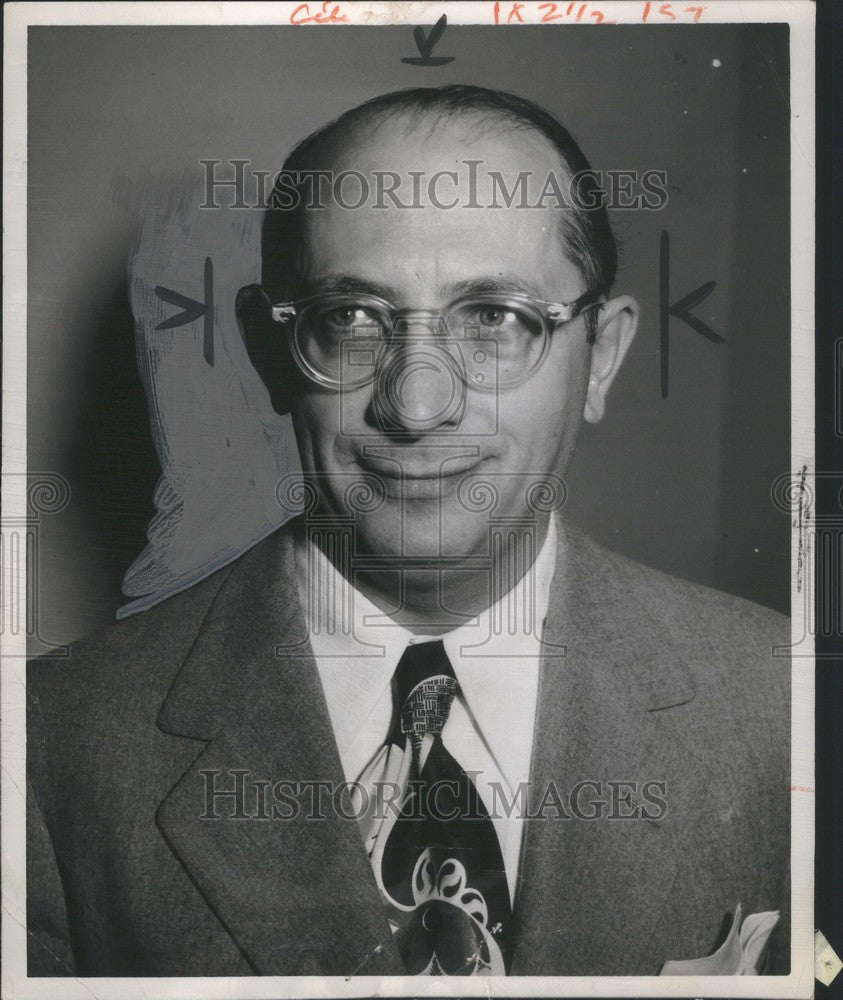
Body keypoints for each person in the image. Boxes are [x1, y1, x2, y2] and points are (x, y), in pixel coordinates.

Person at [28, 85, 790, 978]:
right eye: (350, 319)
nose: (418, 405)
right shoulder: (53, 744)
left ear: (604, 358)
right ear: (274, 355)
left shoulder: (779, 706)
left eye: (495, 319)